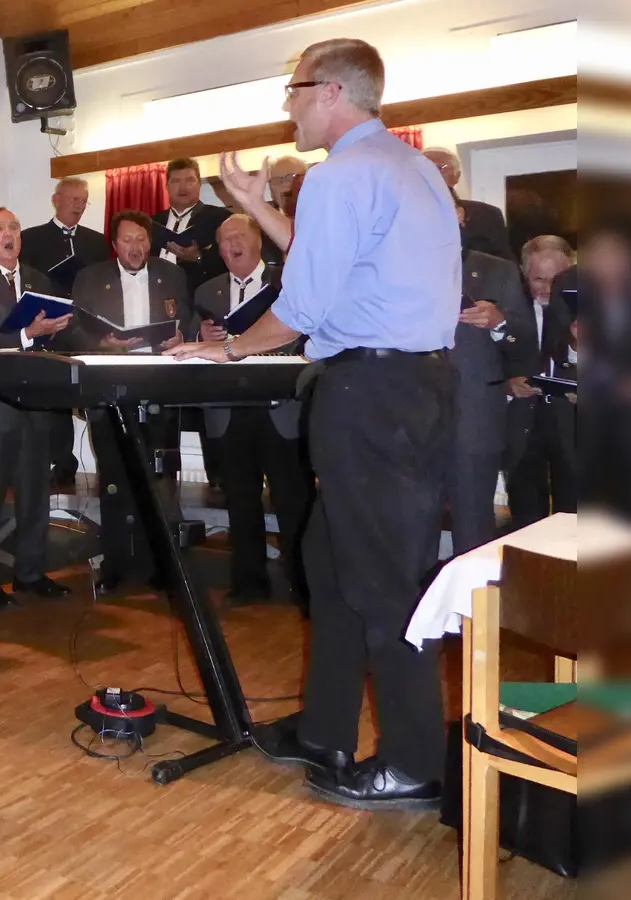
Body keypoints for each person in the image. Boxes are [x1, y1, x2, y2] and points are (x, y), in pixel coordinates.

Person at [171, 38, 459, 811]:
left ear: (330, 91)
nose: (286, 104)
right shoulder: (410, 168)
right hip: (416, 387)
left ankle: (413, 763)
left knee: (381, 583)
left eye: (293, 90)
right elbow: (335, 262)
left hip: (369, 392)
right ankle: (325, 728)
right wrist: (257, 208)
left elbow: (301, 308)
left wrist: (222, 348)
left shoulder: (340, 178)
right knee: (330, 564)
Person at [66, 210, 191, 593]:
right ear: (114, 244)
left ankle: (165, 568)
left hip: (159, 386)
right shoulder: (90, 278)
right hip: (111, 386)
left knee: (160, 481)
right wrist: (102, 345)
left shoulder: (173, 275)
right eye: (127, 241)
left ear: (149, 242)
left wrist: (180, 336)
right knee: (115, 480)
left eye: (141, 240)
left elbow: (185, 320)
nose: (135, 248)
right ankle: (116, 565)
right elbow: (73, 330)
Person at [189, 215, 311, 606]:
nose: (232, 246)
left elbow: (305, 333)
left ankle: (304, 584)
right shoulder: (206, 290)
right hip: (228, 408)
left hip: (281, 405)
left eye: (240, 236)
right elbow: (193, 339)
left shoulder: (287, 280)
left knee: (293, 499)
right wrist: (201, 337)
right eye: (224, 240)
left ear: (260, 240)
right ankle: (248, 583)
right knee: (240, 500)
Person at [0, 207, 72, 605]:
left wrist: (56, 330)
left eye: (14, 227)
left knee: (34, 491)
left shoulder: (40, 281)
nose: (9, 234)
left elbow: (58, 337)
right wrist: (26, 334)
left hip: (37, 399)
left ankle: (30, 571)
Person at [441, 192, 533, 553]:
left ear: (460, 215)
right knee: (406, 525)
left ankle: (473, 605)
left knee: (473, 524)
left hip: (473, 416)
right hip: (406, 414)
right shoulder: (393, 269)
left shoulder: (498, 270)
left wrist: (500, 322)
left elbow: (525, 343)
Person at [20, 177, 110, 486]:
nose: (78, 204)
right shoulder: (31, 238)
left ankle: (107, 464)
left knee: (93, 392)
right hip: (48, 327)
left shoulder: (97, 242)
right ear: (55, 200)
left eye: (83, 200)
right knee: (54, 393)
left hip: (86, 327)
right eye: (71, 198)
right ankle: (61, 459)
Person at [502, 235, 578, 528]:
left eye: (556, 278)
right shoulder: (506, 309)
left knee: (573, 523)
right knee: (525, 525)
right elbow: (490, 365)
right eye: (538, 279)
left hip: (574, 429)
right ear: (523, 274)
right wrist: (509, 386)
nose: (548, 288)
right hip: (522, 428)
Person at [152, 157, 231, 295]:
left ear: (199, 183)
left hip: (202, 301)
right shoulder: (152, 222)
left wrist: (198, 257)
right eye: (176, 181)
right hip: (156, 298)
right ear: (167, 186)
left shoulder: (221, 218)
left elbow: (233, 261)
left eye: (189, 180)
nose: (183, 187)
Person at [423, 147, 513, 262]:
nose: (429, 174)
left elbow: (505, 267)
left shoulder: (486, 215)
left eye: (439, 168)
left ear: (456, 176)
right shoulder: (401, 216)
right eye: (421, 169)